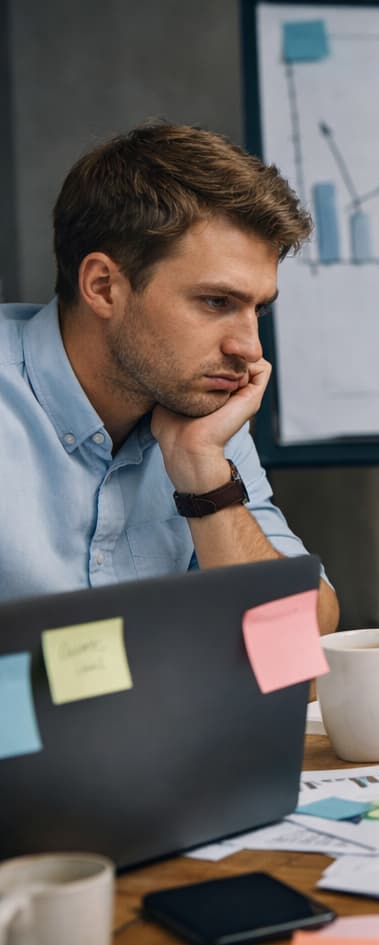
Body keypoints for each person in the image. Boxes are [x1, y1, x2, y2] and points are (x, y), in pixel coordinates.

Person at [0, 121, 339, 631]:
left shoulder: (200, 415)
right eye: (216, 302)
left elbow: (300, 639)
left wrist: (204, 475)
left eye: (258, 309)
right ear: (103, 286)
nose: (249, 349)